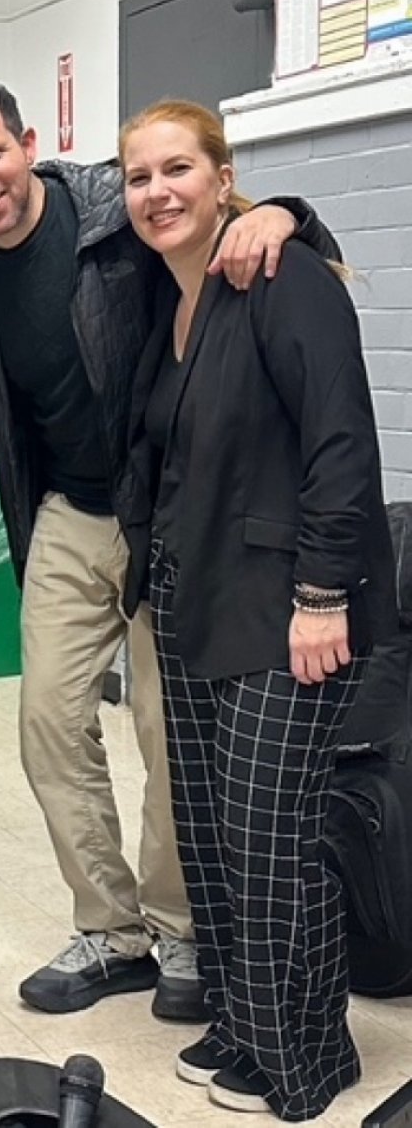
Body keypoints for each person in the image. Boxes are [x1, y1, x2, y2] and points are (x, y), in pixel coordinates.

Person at [0, 74, 336, 1022]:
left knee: (162, 726)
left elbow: (229, 223)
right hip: (69, 513)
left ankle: (179, 927)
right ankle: (110, 931)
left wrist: (288, 212)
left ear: (29, 144)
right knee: (46, 720)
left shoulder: (114, 208)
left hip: (167, 511)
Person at [118, 100, 395, 1120]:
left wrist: (322, 595)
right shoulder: (172, 296)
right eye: (138, 176)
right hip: (194, 603)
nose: (157, 192)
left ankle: (307, 1055)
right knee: (211, 838)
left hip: (287, 611)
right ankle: (243, 1021)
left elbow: (340, 442)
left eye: (177, 169)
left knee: (272, 839)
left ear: (224, 178)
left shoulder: (284, 279)